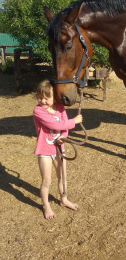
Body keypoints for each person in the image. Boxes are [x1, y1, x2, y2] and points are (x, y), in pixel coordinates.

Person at [33, 80, 83, 220]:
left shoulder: (60, 108)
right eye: (40, 97)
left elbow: (64, 128)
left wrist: (63, 136)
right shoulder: (38, 110)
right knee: (46, 180)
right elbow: (53, 123)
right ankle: (46, 205)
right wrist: (75, 121)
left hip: (59, 149)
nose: (42, 100)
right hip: (45, 150)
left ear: (54, 97)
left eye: (46, 98)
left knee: (62, 176)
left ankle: (64, 199)